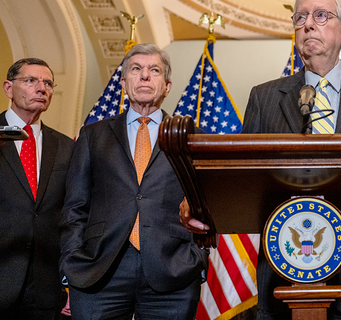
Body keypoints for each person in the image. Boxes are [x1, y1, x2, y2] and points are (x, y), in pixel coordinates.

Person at [182, 0, 341, 319]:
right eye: (300, 17)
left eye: (320, 15)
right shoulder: (265, 97)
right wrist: (201, 202)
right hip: (283, 271)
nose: (308, 24)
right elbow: (242, 178)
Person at [59, 43, 209, 319]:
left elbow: (208, 207)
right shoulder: (93, 135)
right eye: (136, 69)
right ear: (124, 82)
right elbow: (75, 206)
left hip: (173, 268)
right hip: (99, 270)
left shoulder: (191, 138)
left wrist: (196, 259)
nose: (144, 76)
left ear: (167, 85)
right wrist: (72, 262)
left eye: (154, 70)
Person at [0, 58, 74, 319]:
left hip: (46, 287)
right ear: (9, 88)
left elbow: (73, 217)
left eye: (48, 83)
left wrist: (72, 282)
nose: (42, 88)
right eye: (31, 80)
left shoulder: (67, 148)